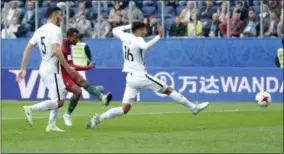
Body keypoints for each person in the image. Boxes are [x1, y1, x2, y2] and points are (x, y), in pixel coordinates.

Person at [86, 22, 209, 129]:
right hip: (140, 76)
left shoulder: (125, 36)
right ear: (139, 30)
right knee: (168, 90)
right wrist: (159, 37)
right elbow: (145, 46)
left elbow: (114, 30)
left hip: (130, 78)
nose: (145, 31)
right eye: (144, 29)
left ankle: (99, 118)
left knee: (124, 109)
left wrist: (130, 25)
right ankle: (193, 108)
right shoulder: (138, 40)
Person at [17, 7, 75, 132]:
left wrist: (23, 69)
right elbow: (56, 50)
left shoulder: (39, 30)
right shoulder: (56, 30)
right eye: (61, 15)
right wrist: (68, 68)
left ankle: (51, 124)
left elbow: (27, 49)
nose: (62, 18)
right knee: (60, 101)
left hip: (43, 67)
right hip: (51, 68)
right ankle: (31, 109)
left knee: (59, 94)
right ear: (56, 15)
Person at [61, 28, 112, 127]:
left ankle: (103, 98)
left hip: (67, 70)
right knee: (77, 91)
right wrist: (87, 67)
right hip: (60, 74)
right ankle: (67, 115)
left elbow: (70, 64)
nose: (77, 40)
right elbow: (71, 66)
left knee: (83, 82)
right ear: (69, 36)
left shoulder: (68, 46)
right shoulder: (63, 49)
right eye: (75, 38)